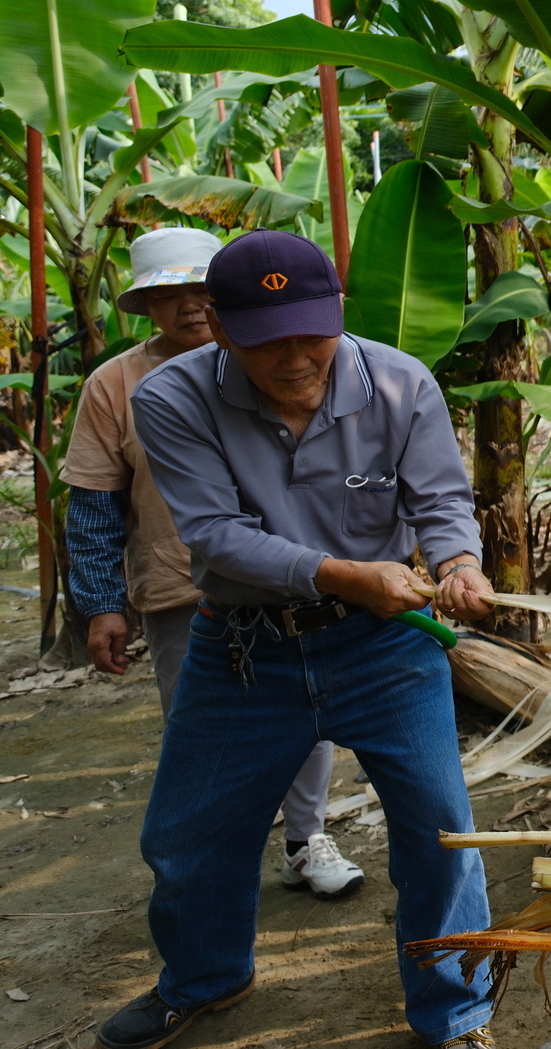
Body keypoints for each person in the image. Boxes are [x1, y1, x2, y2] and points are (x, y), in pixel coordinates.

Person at [99, 230, 499, 1049]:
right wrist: (348, 574)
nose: (292, 360)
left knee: (440, 832)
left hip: (386, 649)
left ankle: (455, 1014)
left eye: (310, 335)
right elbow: (213, 537)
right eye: (264, 341)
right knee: (185, 837)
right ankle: (206, 980)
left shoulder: (399, 383)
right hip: (242, 649)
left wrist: (458, 563)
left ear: (338, 312)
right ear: (219, 325)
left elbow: (442, 503)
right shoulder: (169, 398)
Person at [64, 226, 365, 904]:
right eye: (170, 295)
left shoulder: (288, 358)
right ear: (146, 307)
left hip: (305, 577)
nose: (191, 305)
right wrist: (102, 603)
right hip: (179, 588)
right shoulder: (115, 386)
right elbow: (94, 504)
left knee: (311, 715)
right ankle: (218, 863)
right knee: (200, 732)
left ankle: (304, 839)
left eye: (203, 288)